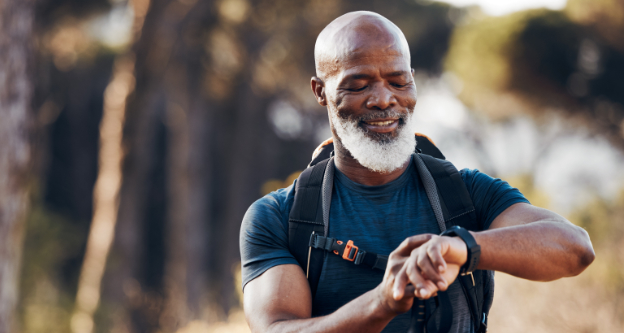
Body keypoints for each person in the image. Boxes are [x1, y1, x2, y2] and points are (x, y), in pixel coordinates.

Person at [239, 11, 595, 333]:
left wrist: (461, 248)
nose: (383, 99)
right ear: (321, 91)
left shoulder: (466, 193)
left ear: (413, 82)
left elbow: (575, 248)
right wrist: (382, 304)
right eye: (359, 84)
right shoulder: (278, 218)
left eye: (398, 82)